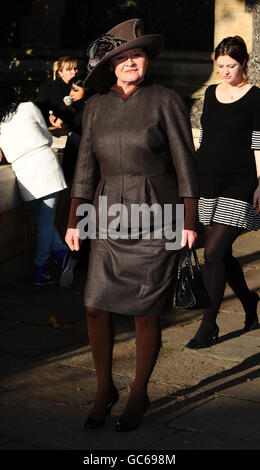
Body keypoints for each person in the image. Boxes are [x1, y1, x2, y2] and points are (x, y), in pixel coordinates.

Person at [65, 19, 199, 432]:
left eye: (135, 55)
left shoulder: (166, 100)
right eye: (121, 57)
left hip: (158, 218)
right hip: (105, 218)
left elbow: (185, 164)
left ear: (147, 60)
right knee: (93, 306)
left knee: (145, 312)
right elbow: (85, 167)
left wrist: (189, 220)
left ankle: (139, 392)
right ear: (109, 65)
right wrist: (74, 221)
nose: (129, 62)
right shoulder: (96, 106)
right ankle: (104, 389)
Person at [186, 36, 260, 350]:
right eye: (220, 66)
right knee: (223, 255)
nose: (225, 71)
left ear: (244, 63)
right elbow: (205, 136)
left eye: (231, 65)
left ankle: (209, 323)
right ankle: (248, 299)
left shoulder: (256, 96)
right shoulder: (212, 93)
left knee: (213, 253)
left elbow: (259, 142)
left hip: (240, 184)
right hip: (207, 182)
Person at [0, 81, 71, 286]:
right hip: (44, 165)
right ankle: (44, 266)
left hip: (22, 171)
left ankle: (58, 256)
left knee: (40, 219)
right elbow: (48, 137)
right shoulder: (28, 107)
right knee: (46, 220)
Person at [35, 56, 79, 126]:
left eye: (75, 69)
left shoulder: (80, 86)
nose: (74, 72)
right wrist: (64, 105)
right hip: (57, 132)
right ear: (60, 72)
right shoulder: (48, 89)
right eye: (69, 69)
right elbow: (41, 113)